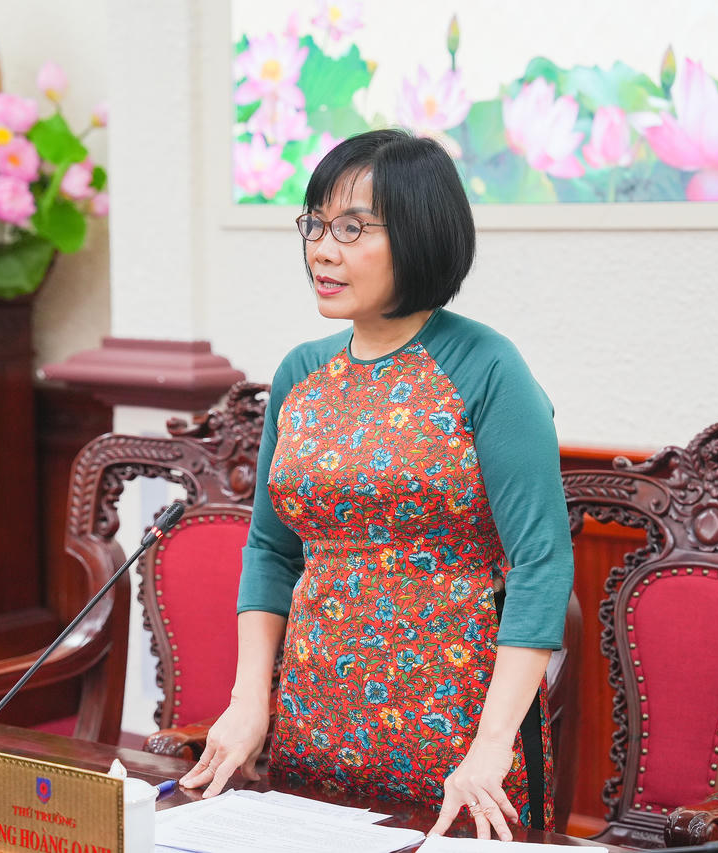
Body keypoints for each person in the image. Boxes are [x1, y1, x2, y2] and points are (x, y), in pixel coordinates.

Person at [180, 129, 575, 841]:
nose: (321, 250)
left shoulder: (488, 367)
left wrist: (491, 748)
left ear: (420, 235)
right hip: (314, 720)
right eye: (315, 224)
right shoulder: (302, 372)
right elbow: (270, 552)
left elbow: (541, 564)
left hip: (462, 738)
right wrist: (248, 702)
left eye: (352, 228)